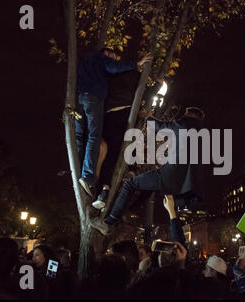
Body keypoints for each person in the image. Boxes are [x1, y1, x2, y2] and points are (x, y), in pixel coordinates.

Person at [91, 107, 205, 236]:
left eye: (186, 113)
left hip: (169, 175)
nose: (183, 116)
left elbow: (159, 127)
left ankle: (109, 222)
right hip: (184, 186)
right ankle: (130, 209)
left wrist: (149, 116)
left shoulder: (184, 124)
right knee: (148, 189)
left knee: (130, 184)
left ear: (191, 114)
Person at [76, 47, 152, 196]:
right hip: (94, 98)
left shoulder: (85, 61)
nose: (114, 59)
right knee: (94, 136)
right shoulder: (101, 60)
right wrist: (137, 63)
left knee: (81, 138)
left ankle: (83, 173)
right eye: (113, 56)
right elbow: (114, 66)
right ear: (106, 53)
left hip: (79, 99)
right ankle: (88, 176)